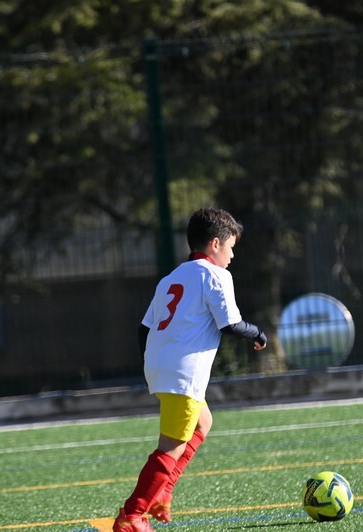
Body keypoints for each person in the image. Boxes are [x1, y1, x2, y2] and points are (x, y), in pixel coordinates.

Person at [114, 207, 268, 532]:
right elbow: (231, 325)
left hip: (160, 367)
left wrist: (156, 362)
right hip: (183, 374)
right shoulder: (215, 275)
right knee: (171, 446)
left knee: (203, 422)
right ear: (215, 244)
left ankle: (163, 491)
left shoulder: (171, 278)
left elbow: (144, 329)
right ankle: (132, 515)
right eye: (231, 247)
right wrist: (258, 333)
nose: (232, 256)